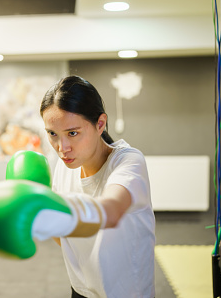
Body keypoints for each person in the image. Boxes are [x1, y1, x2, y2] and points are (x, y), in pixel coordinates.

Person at [39, 75, 155, 298]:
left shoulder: (129, 162)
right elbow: (65, 238)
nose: (62, 148)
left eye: (73, 133)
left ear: (100, 124)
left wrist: (43, 202)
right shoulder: (65, 166)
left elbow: (110, 210)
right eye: (52, 134)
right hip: (81, 290)